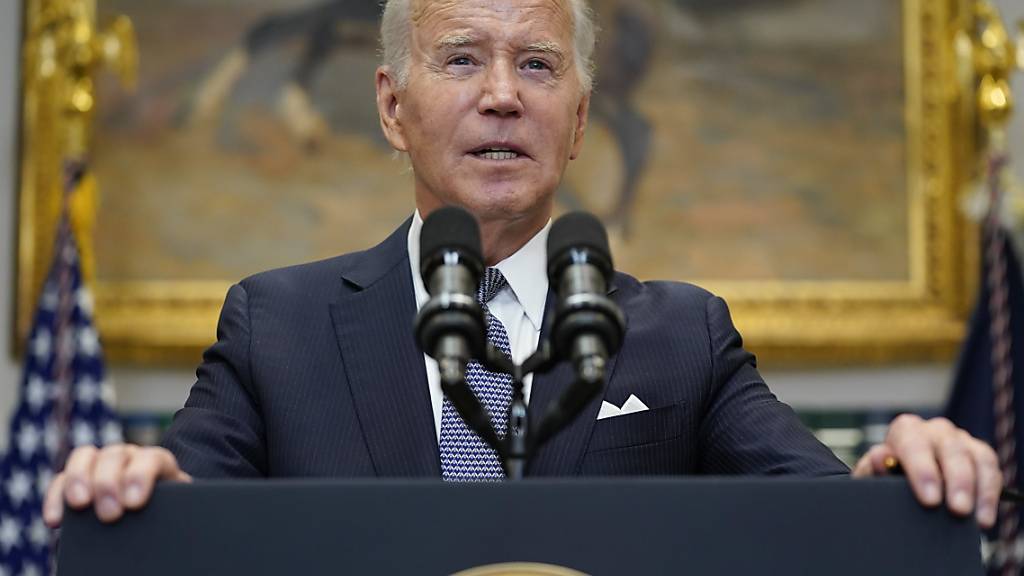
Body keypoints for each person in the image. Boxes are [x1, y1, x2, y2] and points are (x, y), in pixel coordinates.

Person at [45, 0, 1001, 530]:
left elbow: (826, 517)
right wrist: (140, 485)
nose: (502, 95)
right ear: (392, 108)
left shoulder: (683, 336)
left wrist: (898, 474)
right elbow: (189, 502)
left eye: (538, 65)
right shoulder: (277, 328)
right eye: (462, 60)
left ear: (579, 122)